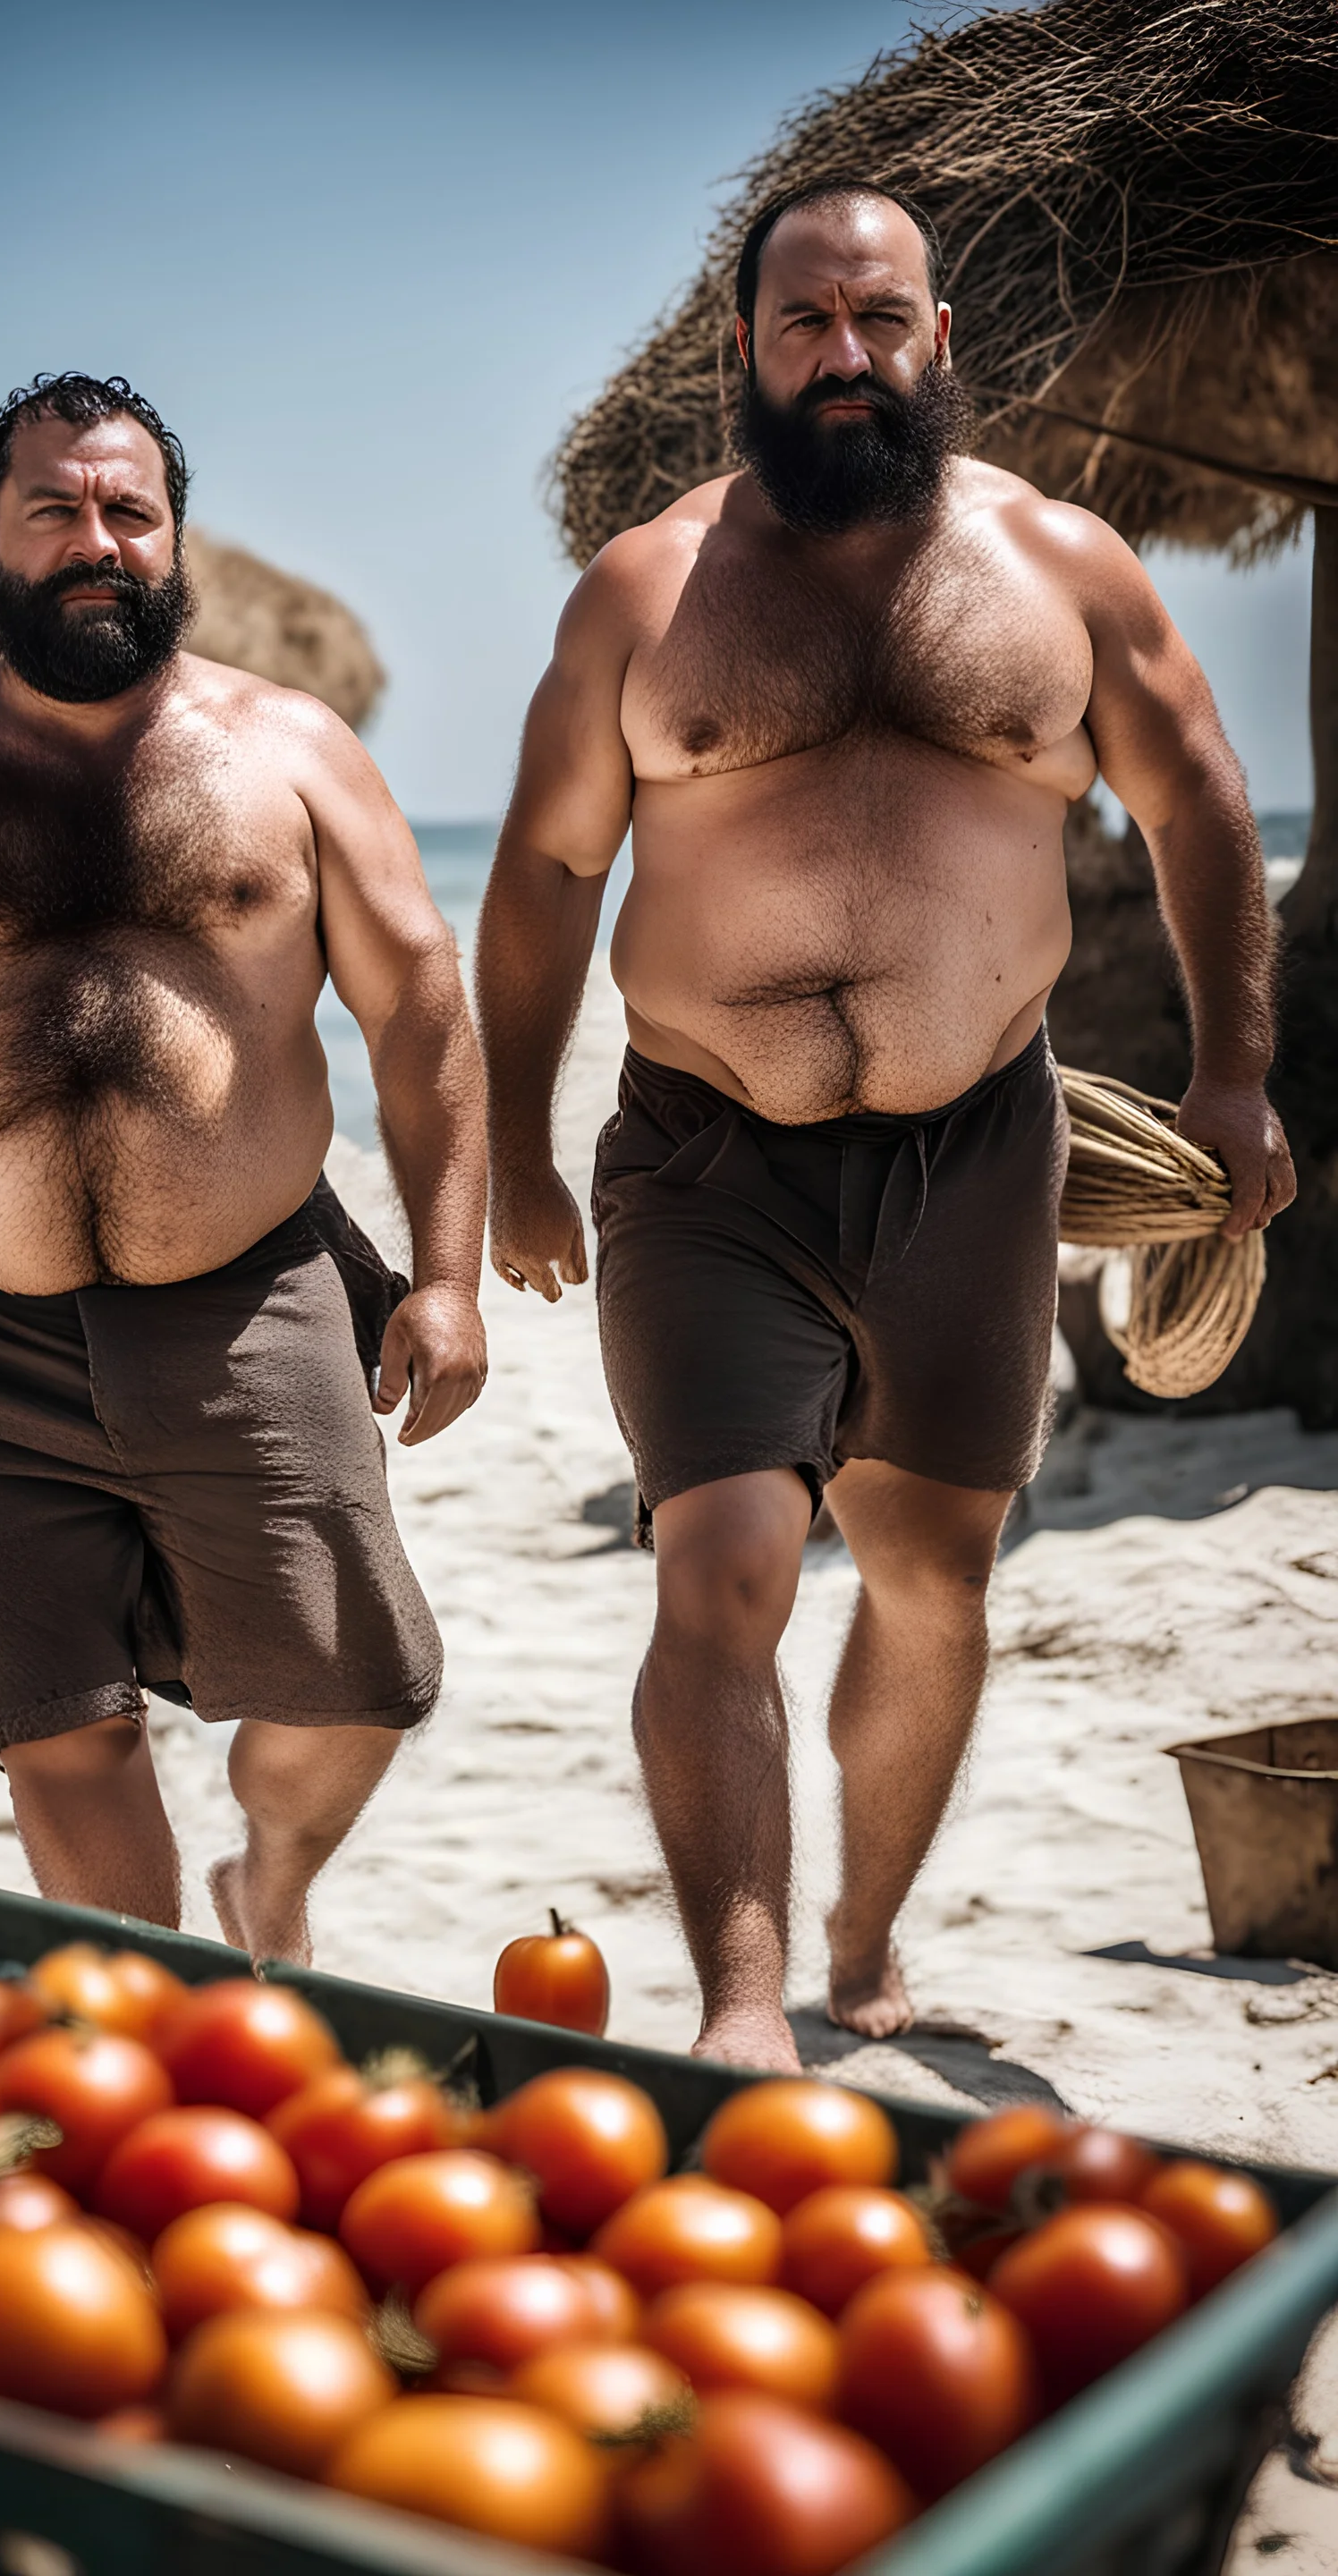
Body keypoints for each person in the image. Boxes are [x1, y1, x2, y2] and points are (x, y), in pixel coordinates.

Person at [476, 182, 1293, 2071]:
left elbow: (1200, 803)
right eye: (804, 323)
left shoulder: (1066, 569)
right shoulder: (648, 591)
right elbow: (537, 874)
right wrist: (512, 1148)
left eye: (880, 320)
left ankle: (860, 1935)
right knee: (727, 1561)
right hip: (706, 1159)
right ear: (738, 357)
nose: (845, 354)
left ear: (945, 343)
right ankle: (744, 2004)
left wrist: (1232, 1067)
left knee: (933, 1573)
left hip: (978, 1155)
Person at [0, 371, 487, 1954]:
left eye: (126, 512)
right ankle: (167, 2033)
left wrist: (446, 1272)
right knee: (58, 1728)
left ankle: (267, 1878)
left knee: (359, 1684)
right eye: (54, 511)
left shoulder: (287, 751)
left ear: (174, 536)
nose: (96, 542)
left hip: (252, 1303)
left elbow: (418, 1000)